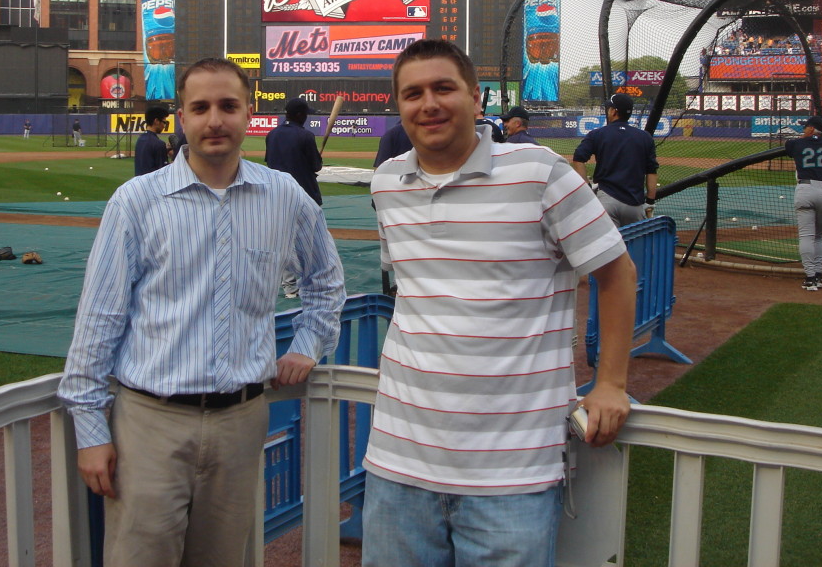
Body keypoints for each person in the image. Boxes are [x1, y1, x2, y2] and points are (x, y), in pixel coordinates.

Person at [58, 58, 346, 567]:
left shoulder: (283, 196)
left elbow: (326, 279)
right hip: (150, 423)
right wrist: (90, 429)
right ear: (182, 118)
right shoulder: (136, 201)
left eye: (228, 105)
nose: (215, 119)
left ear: (249, 112)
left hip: (241, 421)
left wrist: (307, 344)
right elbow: (99, 318)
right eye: (201, 107)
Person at [362, 39, 636, 567]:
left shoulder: (540, 172)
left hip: (513, 472)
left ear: (474, 95)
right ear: (398, 105)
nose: (429, 104)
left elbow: (617, 273)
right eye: (413, 93)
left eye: (444, 88)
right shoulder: (387, 181)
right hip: (397, 460)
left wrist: (611, 383)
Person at [265, 97, 324, 297]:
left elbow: (272, 162)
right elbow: (316, 166)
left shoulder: (272, 134)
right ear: (300, 115)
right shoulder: (305, 136)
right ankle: (310, 283)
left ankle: (289, 287)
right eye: (306, 113)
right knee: (310, 241)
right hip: (304, 195)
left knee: (284, 241)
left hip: (277, 195)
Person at [572, 93, 659, 227]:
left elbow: (578, 159)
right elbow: (651, 171)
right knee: (635, 245)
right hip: (634, 204)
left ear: (614, 112)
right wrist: (650, 201)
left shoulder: (597, 134)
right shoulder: (645, 137)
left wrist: (587, 188)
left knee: (608, 245)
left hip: (606, 201)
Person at [785, 116, 822, 290]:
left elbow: (791, 144)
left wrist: (810, 136)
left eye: (805, 128)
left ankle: (810, 278)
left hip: (805, 191)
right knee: (819, 236)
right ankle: (818, 275)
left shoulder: (795, 144)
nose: (803, 130)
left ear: (810, 129)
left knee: (806, 236)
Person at [134, 105, 170, 176]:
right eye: (164, 122)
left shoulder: (140, 140)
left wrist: (165, 150)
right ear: (156, 121)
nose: (164, 125)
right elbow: (163, 172)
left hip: (139, 184)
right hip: (153, 185)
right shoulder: (159, 144)